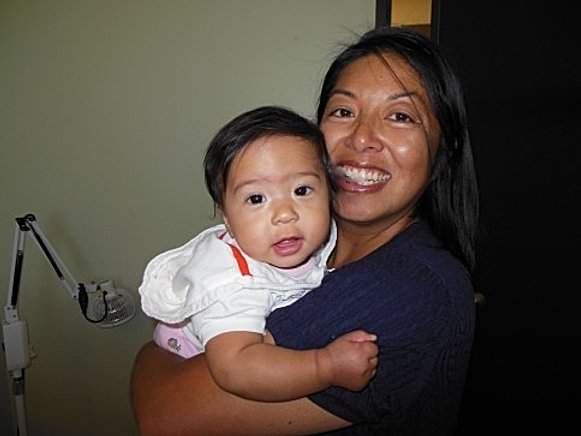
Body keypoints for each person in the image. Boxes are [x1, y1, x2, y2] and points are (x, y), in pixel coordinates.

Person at [130, 25, 479, 436]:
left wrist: (152, 357)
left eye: (400, 116)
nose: (362, 138)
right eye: (343, 111)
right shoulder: (305, 248)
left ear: (443, 151)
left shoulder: (409, 290)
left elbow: (166, 416)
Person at [138, 105, 379, 401]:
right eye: (256, 198)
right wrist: (325, 366)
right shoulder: (232, 283)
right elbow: (236, 368)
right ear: (226, 217)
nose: (284, 214)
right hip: (195, 363)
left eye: (302, 191)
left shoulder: (322, 234)